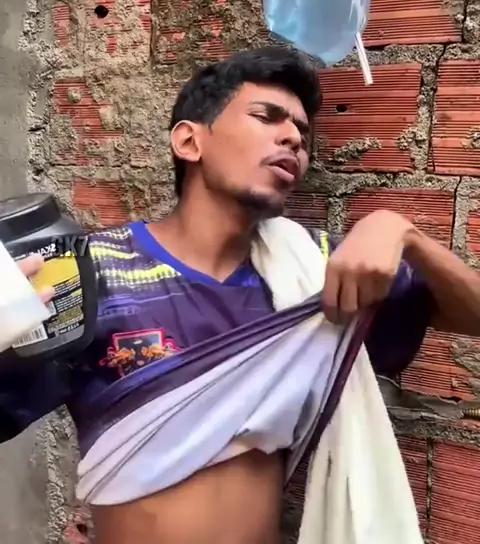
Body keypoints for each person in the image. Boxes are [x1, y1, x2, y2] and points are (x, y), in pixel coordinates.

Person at [4, 45, 480, 544]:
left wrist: (401, 231)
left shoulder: (314, 274)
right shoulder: (94, 273)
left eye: (302, 133)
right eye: (266, 117)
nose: (292, 138)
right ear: (190, 141)